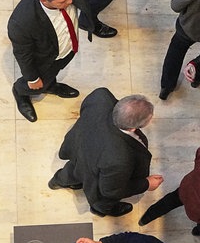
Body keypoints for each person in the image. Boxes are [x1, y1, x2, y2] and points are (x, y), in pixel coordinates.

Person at [8, 0, 126, 122]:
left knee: (55, 70)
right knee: (40, 79)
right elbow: (23, 54)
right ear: (44, 0)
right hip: (46, 55)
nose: (71, 1)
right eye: (63, 1)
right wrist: (32, 78)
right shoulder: (22, 22)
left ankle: (51, 85)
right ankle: (21, 92)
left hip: (67, 47)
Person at [48, 88, 163, 217]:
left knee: (72, 171)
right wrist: (146, 184)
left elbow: (85, 110)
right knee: (102, 199)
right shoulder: (120, 159)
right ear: (133, 128)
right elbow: (111, 190)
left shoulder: (101, 96)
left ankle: (57, 181)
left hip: (79, 149)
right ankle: (99, 210)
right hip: (97, 171)